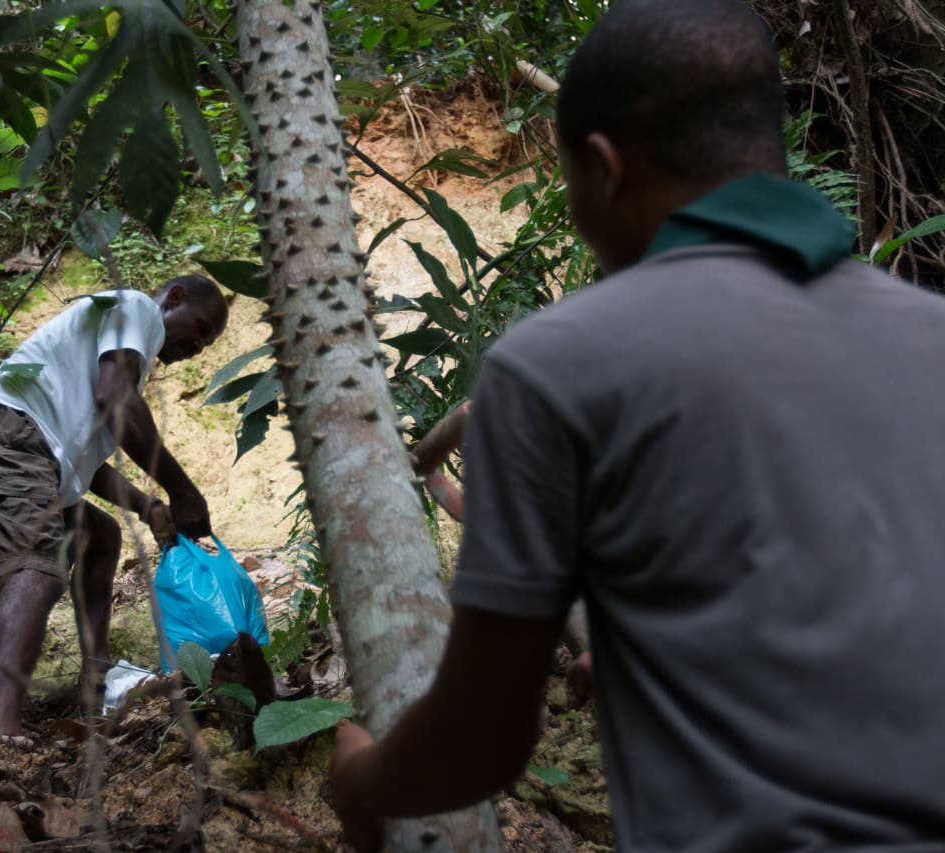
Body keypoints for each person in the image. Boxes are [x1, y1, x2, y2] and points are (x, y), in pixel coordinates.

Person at [329, 0, 945, 849]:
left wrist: (362, 780)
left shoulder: (556, 367)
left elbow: (480, 741)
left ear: (605, 167)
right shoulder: (930, 334)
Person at [0, 274, 228, 746]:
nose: (199, 344)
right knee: (37, 570)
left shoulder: (117, 359)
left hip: (13, 444)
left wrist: (148, 506)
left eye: (208, 341)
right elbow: (117, 403)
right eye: (202, 327)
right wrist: (183, 490)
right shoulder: (136, 310)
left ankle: (97, 678)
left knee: (98, 534)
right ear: (173, 299)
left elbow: (83, 464)